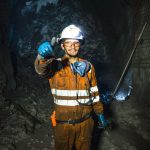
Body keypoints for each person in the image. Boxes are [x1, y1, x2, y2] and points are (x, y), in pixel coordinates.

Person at [34, 24, 108, 150]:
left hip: (86, 124)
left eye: (76, 43)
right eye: (68, 43)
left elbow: (94, 93)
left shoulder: (89, 66)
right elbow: (41, 70)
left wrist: (100, 113)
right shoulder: (55, 65)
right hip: (63, 126)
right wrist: (41, 57)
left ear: (81, 44)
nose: (73, 46)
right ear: (62, 45)